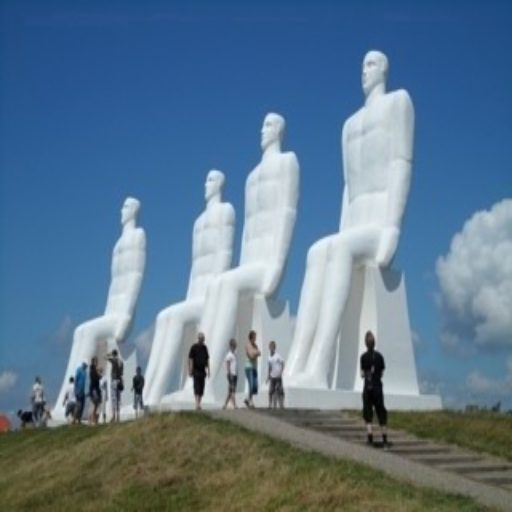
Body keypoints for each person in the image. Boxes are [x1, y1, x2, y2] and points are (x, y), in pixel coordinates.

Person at [286, 50, 414, 388]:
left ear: (384, 69)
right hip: (355, 224)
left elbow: (401, 163)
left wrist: (392, 228)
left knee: (338, 249)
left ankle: (319, 367)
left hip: (377, 224)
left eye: (371, 64)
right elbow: (348, 187)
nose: (364, 71)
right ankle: (295, 364)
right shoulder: (349, 125)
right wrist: (342, 232)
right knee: (317, 251)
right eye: (362, 66)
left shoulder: (398, 102)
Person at [194, 113, 299, 400]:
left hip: (265, 265)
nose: (262, 130)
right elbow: (248, 231)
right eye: (262, 125)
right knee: (218, 284)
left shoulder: (288, 162)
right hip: (250, 264)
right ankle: (200, 379)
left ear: (279, 130)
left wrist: (277, 266)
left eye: (268, 125)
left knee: (225, 283)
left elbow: (287, 213)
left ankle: (211, 377)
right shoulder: (251, 178)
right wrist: (239, 268)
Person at [143, 170, 235, 407]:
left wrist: (213, 297)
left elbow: (224, 256)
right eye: (205, 180)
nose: (206, 184)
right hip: (195, 295)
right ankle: (147, 395)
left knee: (173, 316)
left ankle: (155, 396)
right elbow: (194, 269)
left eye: (211, 180)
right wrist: (187, 299)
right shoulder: (198, 223)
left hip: (211, 295)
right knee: (164, 316)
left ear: (220, 184)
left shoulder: (226, 211)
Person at [54, 197, 146, 420]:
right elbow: (113, 286)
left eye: (126, 206)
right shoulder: (117, 246)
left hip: (121, 315)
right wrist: (106, 314)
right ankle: (64, 402)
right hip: (111, 312)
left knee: (87, 331)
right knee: (80, 331)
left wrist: (126, 316)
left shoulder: (138, 236)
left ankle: (73, 404)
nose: (121, 210)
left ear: (134, 210)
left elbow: (137, 276)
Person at [360, 330, 389, 448]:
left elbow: (362, 374)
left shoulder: (363, 357)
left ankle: (370, 438)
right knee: (381, 412)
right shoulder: (380, 357)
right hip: (377, 387)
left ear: (366, 343)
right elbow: (381, 373)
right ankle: (385, 440)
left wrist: (367, 374)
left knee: (368, 412)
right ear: (374, 343)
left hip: (368, 388)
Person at [188, 332, 210, 410]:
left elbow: (207, 358)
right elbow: (191, 358)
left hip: (202, 370)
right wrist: (190, 369)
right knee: (197, 386)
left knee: (202, 387)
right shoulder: (194, 347)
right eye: (201, 338)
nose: (202, 340)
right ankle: (197, 404)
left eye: (203, 339)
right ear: (198, 339)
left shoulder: (205, 348)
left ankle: (199, 403)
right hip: (196, 370)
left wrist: (209, 370)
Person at [243, 331, 260, 408]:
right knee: (251, 384)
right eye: (254, 337)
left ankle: (247, 399)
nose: (255, 338)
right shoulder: (248, 345)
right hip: (249, 367)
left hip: (254, 367)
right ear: (251, 337)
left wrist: (255, 353)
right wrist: (256, 353)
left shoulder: (255, 345)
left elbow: (259, 353)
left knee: (255, 386)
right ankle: (250, 401)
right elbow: (251, 356)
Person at [106, 349, 123, 422]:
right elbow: (122, 373)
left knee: (114, 398)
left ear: (113, 354)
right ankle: (118, 416)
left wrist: (109, 354)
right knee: (118, 399)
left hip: (114, 381)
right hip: (119, 380)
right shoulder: (121, 362)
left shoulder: (113, 360)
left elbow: (105, 357)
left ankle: (114, 416)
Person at [267, 341, 285, 409]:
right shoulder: (269, 357)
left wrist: (281, 371)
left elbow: (282, 363)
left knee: (280, 390)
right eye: (270, 347)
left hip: (278, 376)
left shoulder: (278, 356)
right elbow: (269, 367)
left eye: (272, 347)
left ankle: (281, 404)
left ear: (274, 348)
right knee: (271, 391)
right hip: (272, 376)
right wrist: (268, 376)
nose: (271, 348)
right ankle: (270, 404)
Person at [222, 339, 238, 409]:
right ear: (231, 346)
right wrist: (229, 373)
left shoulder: (235, 354)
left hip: (235, 374)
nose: (235, 346)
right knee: (233, 390)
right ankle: (235, 405)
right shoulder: (229, 355)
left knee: (230, 391)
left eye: (235, 345)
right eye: (234, 345)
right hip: (231, 374)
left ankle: (225, 405)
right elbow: (228, 365)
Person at [89, 357, 101, 425]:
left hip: (95, 388)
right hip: (94, 389)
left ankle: (92, 417)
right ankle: (93, 418)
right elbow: (95, 378)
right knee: (95, 403)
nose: (97, 363)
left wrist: (99, 373)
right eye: (96, 362)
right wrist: (98, 373)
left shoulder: (94, 369)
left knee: (96, 404)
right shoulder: (93, 369)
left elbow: (98, 378)